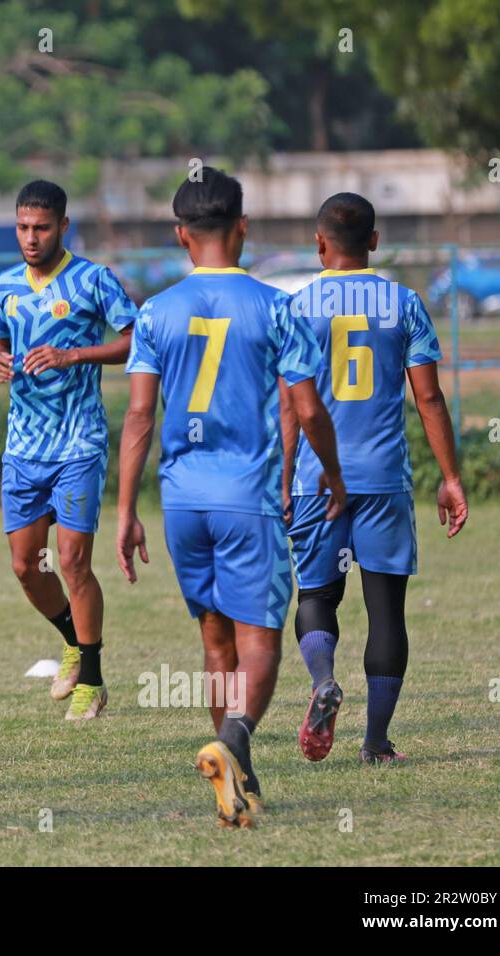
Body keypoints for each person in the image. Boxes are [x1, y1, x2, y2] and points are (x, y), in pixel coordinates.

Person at [116, 167, 345, 828]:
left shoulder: (155, 311)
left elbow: (138, 419)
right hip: (249, 497)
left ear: (181, 235)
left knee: (215, 640)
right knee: (260, 640)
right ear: (242, 227)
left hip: (183, 502)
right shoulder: (278, 307)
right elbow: (306, 408)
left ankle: (235, 778)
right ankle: (237, 738)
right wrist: (332, 473)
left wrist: (127, 510)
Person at [282, 192, 468, 766]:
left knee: (317, 595)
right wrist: (451, 476)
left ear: (319, 244)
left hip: (317, 478)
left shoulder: (299, 307)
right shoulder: (405, 304)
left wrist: (283, 475)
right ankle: (376, 742)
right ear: (375, 241)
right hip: (384, 478)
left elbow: (290, 405)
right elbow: (429, 396)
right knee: (387, 610)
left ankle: (322, 681)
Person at [0, 180, 135, 719]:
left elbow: (132, 339)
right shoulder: (5, 283)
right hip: (23, 448)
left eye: (41, 228)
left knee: (72, 561)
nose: (30, 237)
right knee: (26, 566)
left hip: (78, 443)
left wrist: (73, 356)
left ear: (63, 227)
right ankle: (72, 638)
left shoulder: (93, 279)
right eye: (23, 227)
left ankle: (92, 680)